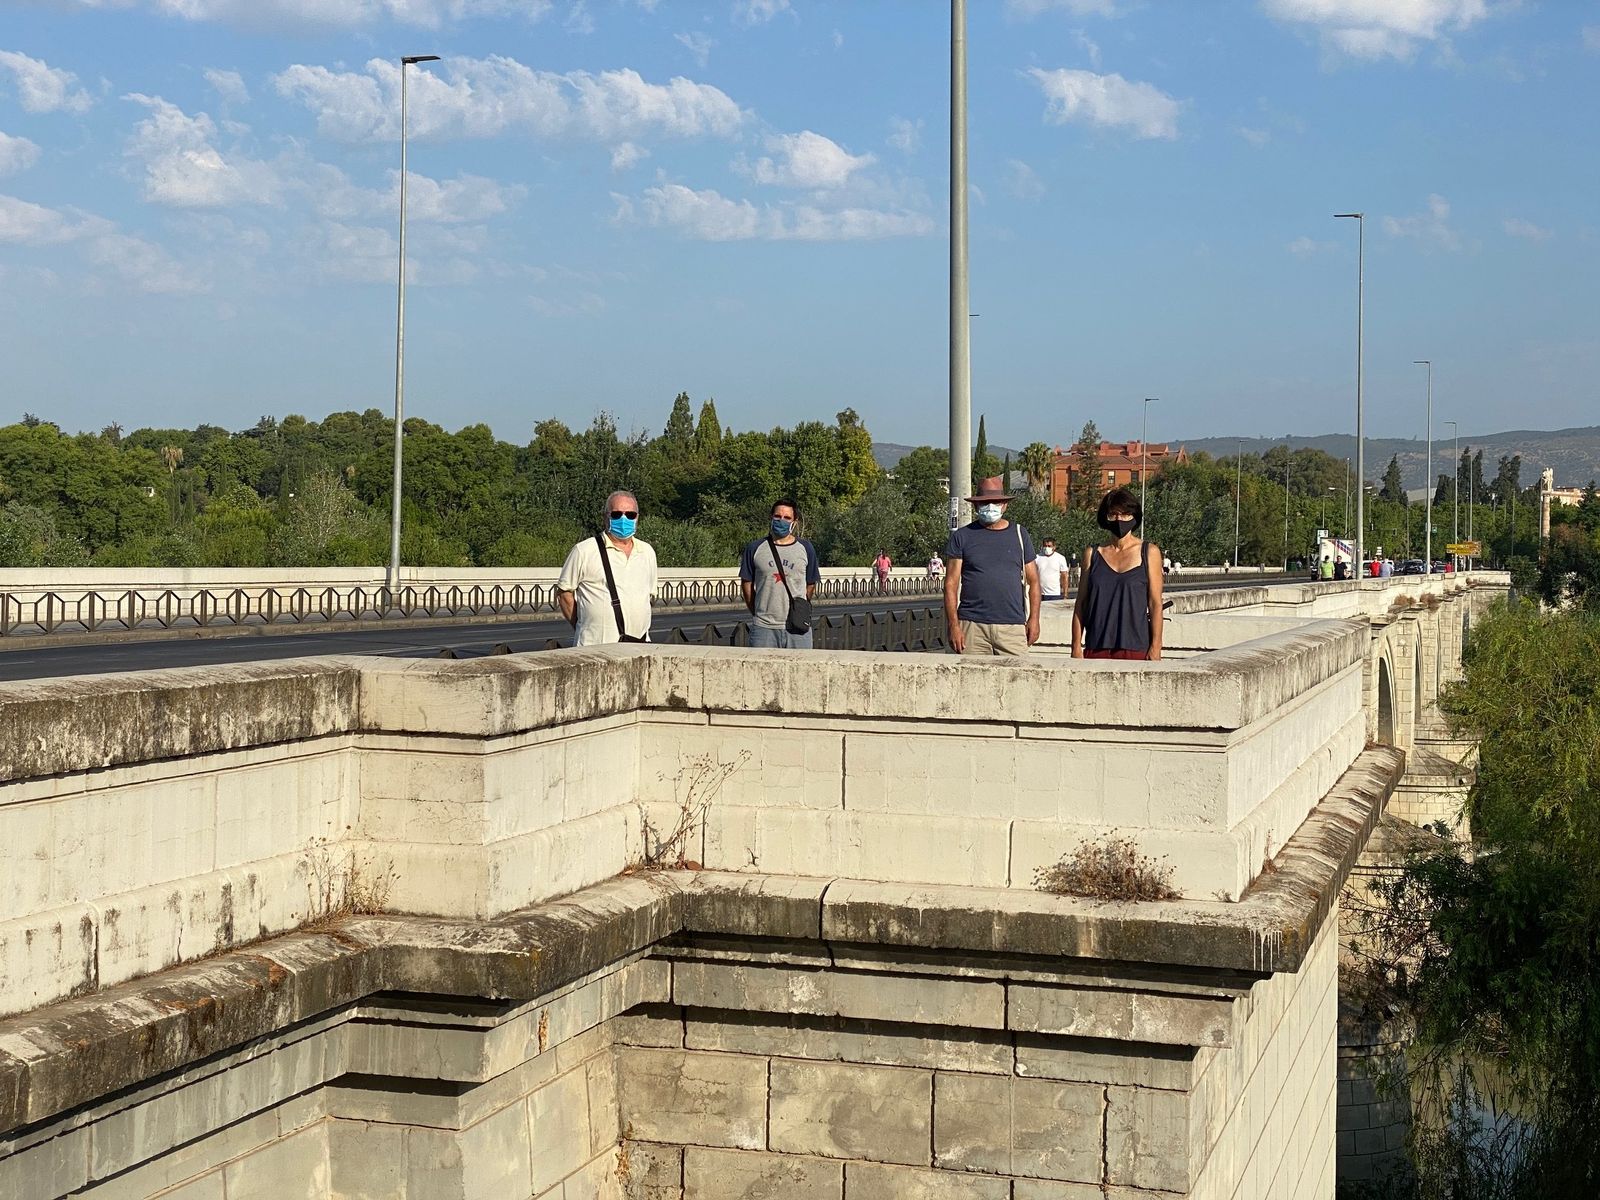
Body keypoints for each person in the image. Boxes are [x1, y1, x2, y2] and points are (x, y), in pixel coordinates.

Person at [943, 476, 1040, 656]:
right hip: (971, 627)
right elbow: (950, 584)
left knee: (1019, 681)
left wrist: (1034, 619)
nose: (990, 506)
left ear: (1005, 505)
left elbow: (1033, 582)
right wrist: (954, 625)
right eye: (984, 502)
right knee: (968, 682)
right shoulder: (962, 537)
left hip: (1012, 627)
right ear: (975, 506)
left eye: (995, 502)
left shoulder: (1020, 534)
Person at [1072, 487, 1163, 661]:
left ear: (1134, 516)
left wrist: (1156, 647)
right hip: (1096, 646)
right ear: (1105, 517)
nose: (1119, 519)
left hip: (1136, 647)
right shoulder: (1092, 553)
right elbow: (1081, 603)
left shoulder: (1149, 552)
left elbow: (1155, 604)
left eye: (1125, 514)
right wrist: (1076, 645)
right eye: (1113, 514)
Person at [556, 490, 657, 645]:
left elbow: (648, 597)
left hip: (640, 646)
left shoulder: (647, 552)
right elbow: (564, 593)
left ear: (637, 518)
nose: (624, 519)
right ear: (606, 517)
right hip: (596, 649)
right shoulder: (584, 551)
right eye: (616, 514)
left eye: (630, 515)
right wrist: (583, 626)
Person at [739, 499, 820, 649]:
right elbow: (746, 583)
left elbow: (810, 584)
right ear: (771, 517)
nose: (781, 521)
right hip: (764, 629)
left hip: (797, 628)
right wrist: (758, 611)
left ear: (794, 522)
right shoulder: (755, 548)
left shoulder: (806, 548)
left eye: (787, 518)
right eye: (778, 516)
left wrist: (799, 608)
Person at [1035, 537, 1070, 602]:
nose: (1047, 548)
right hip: (1039, 594)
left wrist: (1065, 594)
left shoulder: (1060, 558)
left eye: (1049, 546)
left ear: (1054, 547)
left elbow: (1064, 577)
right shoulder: (1037, 558)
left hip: (1055, 594)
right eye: (1045, 546)